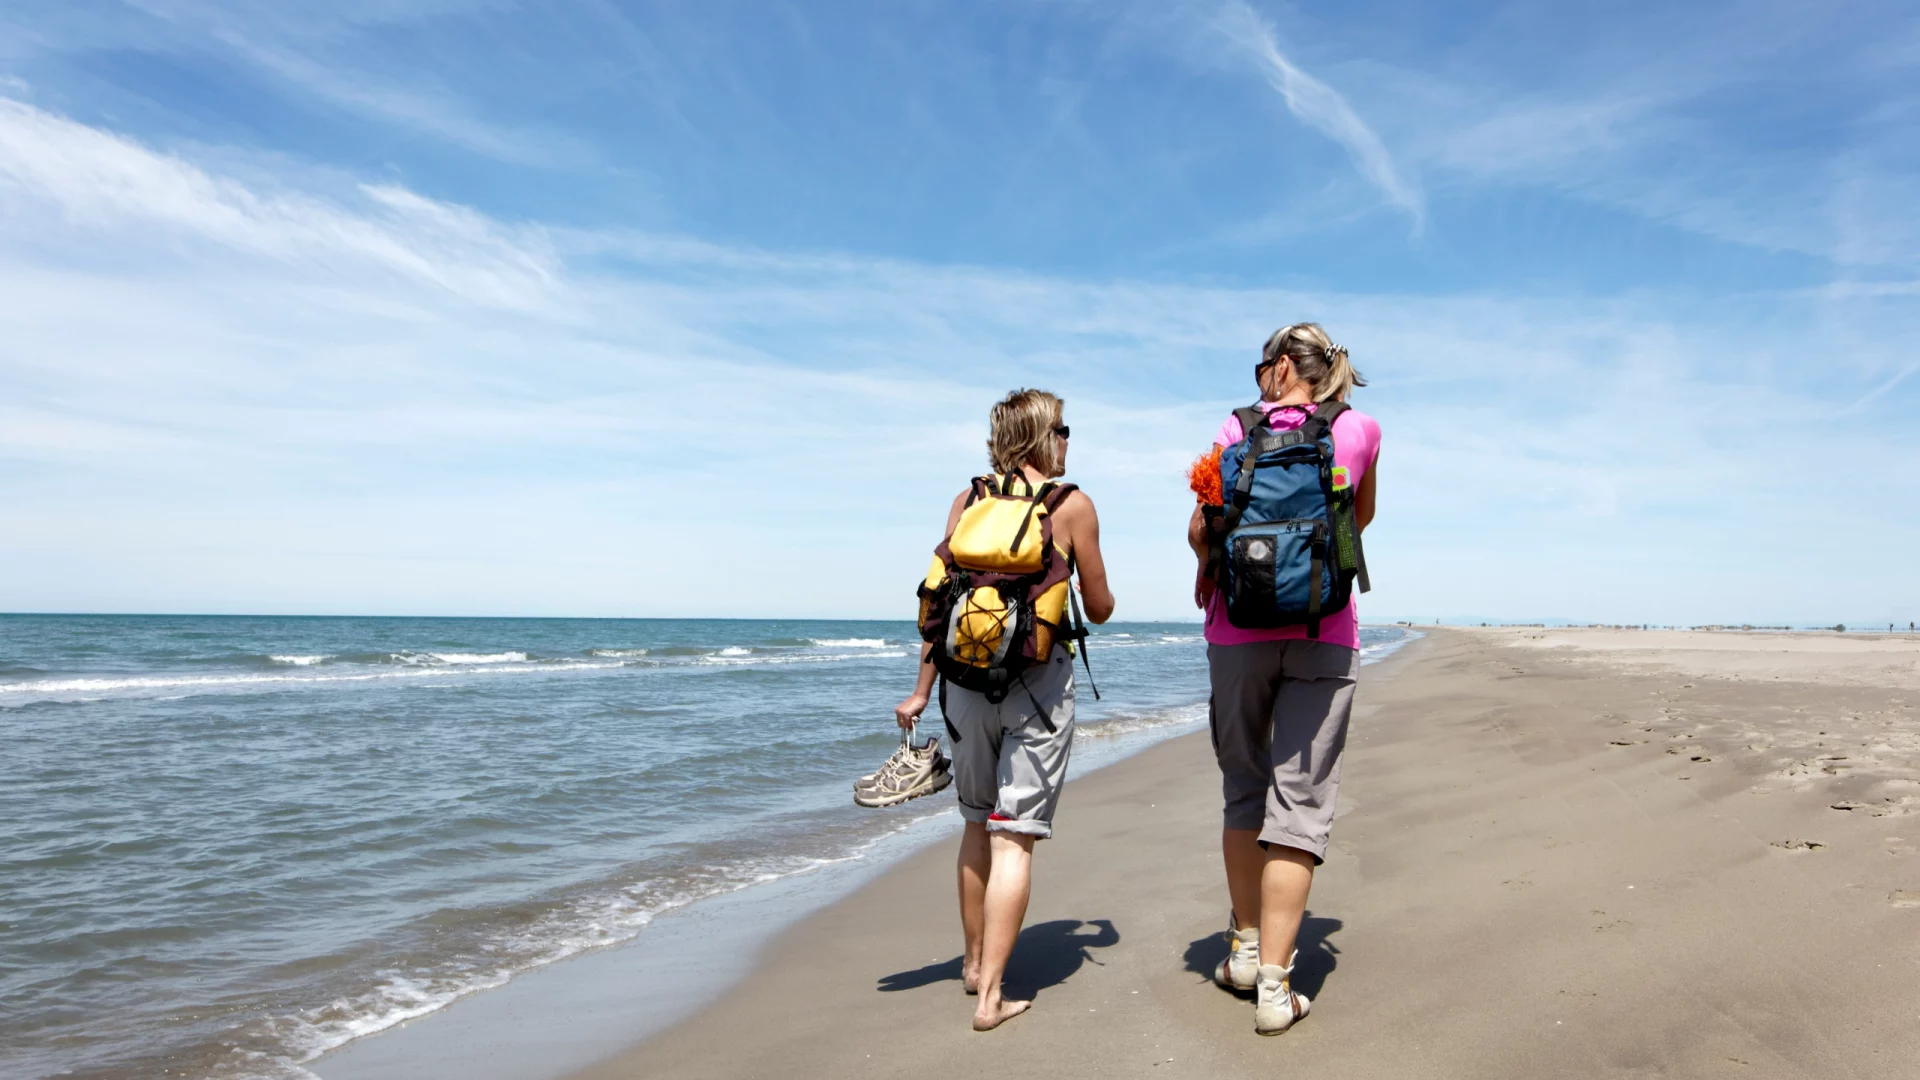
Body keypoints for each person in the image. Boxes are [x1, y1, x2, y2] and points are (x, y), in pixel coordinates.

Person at [895, 388, 1114, 1032]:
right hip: (1037, 690)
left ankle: (970, 966)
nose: (1070, 440)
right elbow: (1098, 608)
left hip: (962, 687)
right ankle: (993, 997)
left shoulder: (967, 503)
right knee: (1013, 835)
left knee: (972, 824)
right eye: (1064, 429)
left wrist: (917, 691)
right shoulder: (1071, 505)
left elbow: (942, 608)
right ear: (1045, 436)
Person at [1185, 323, 1379, 1035]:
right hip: (1323, 630)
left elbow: (1201, 529)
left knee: (1244, 789)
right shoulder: (1359, 430)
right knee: (1298, 808)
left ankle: (1241, 950)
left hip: (1234, 631)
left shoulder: (1232, 429)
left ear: (1273, 370)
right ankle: (1274, 988)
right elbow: (1359, 519)